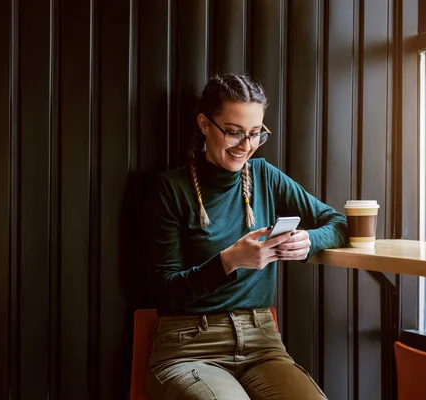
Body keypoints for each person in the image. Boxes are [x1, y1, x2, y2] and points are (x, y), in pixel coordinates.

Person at [143, 73, 348, 399]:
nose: (246, 146)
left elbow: (338, 223)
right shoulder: (170, 189)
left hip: (262, 342)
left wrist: (310, 241)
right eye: (234, 132)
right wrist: (229, 261)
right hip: (190, 346)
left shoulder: (265, 176)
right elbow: (164, 291)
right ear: (205, 124)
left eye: (256, 134)